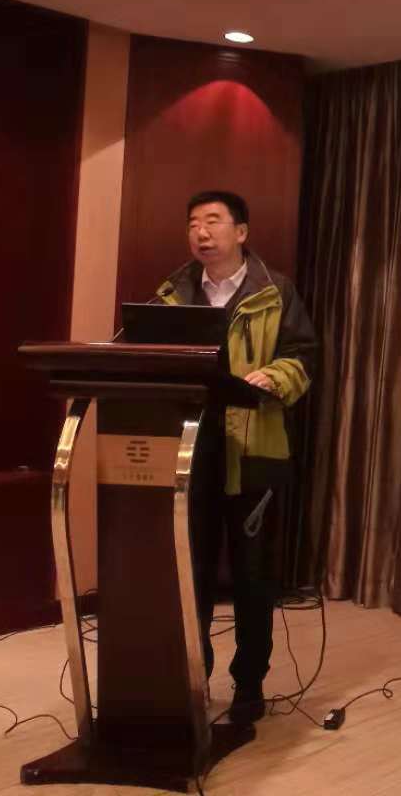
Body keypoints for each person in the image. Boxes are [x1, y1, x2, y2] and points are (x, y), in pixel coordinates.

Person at [155, 190, 317, 726]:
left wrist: (276, 375)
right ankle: (191, 677)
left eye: (213, 221)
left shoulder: (275, 291)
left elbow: (303, 357)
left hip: (255, 449)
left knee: (253, 575)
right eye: (192, 223)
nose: (201, 233)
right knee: (191, 571)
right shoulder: (172, 295)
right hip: (190, 452)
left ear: (241, 232)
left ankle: (249, 684)